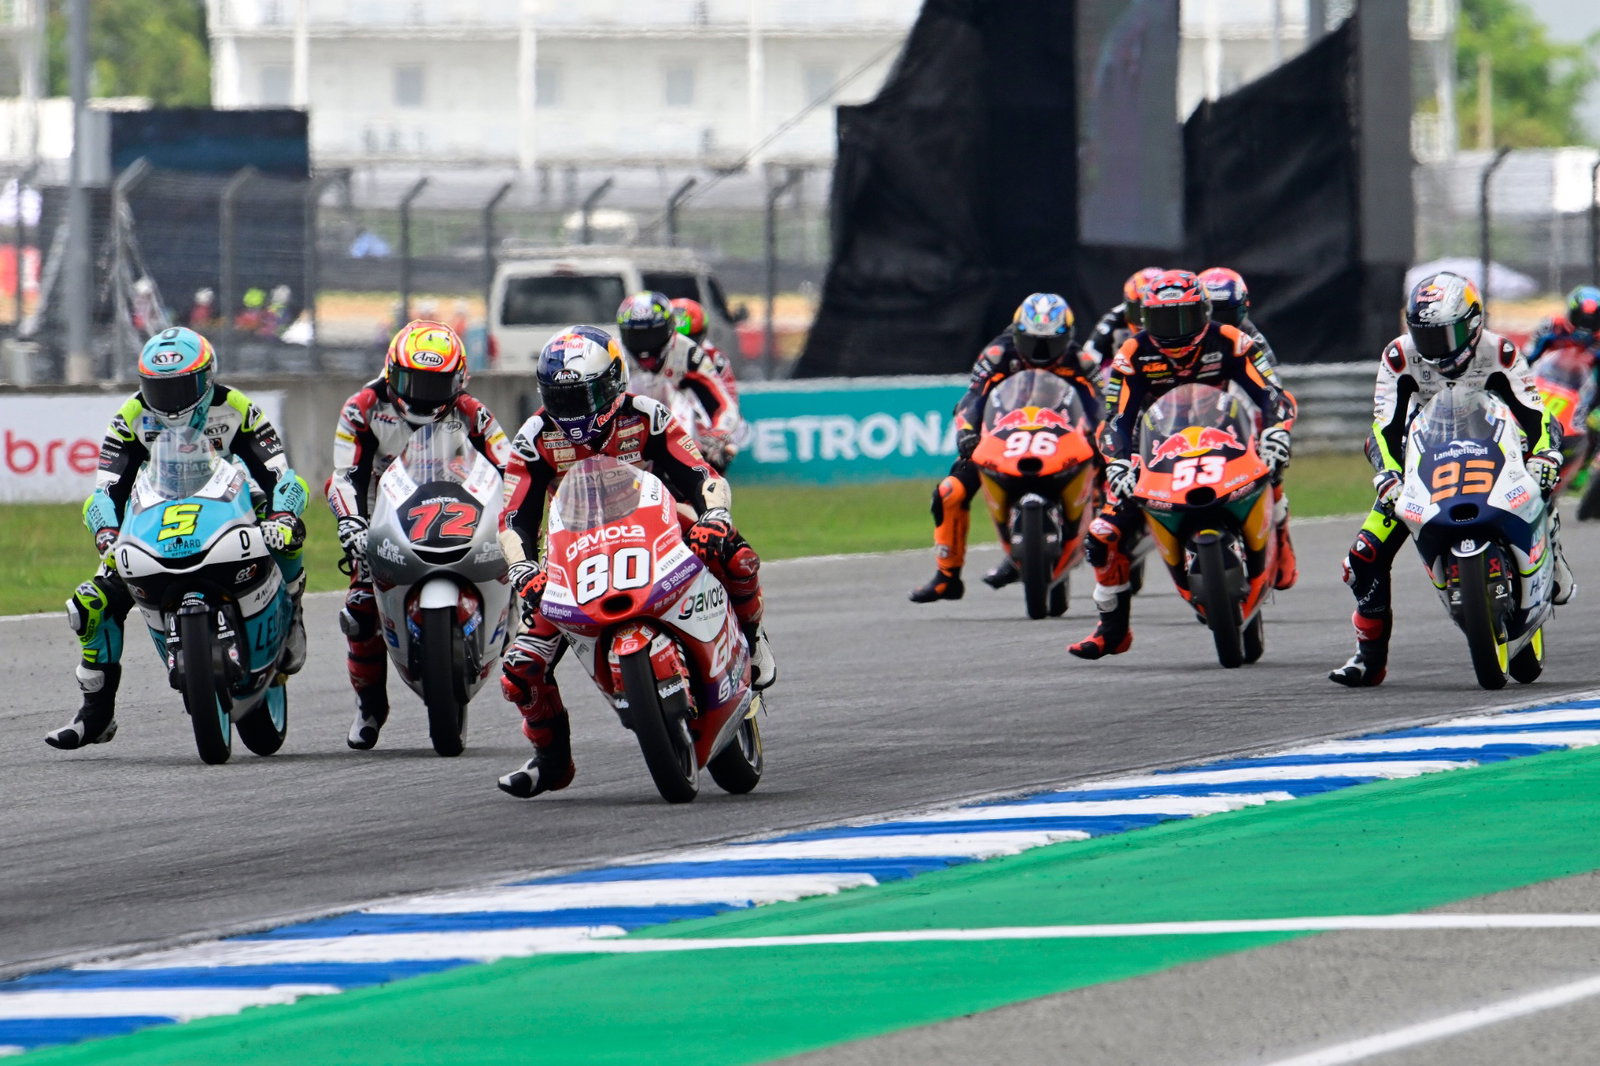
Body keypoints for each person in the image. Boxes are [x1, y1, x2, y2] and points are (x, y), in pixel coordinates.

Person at [495, 324, 776, 799]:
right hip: (573, 551)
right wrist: (523, 568)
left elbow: (701, 476)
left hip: (658, 524)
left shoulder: (648, 415)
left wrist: (714, 515)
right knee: (520, 667)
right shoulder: (534, 438)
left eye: (585, 396)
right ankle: (552, 761)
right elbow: (513, 519)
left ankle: (752, 642)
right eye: (563, 400)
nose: (576, 412)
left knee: (737, 553)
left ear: (611, 383)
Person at [45, 327, 310, 749]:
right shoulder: (131, 417)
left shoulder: (237, 408)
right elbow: (105, 490)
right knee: (88, 606)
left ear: (206, 380)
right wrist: (106, 532)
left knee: (288, 534)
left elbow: (282, 475)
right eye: (157, 388)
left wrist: (281, 515)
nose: (168, 401)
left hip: (236, 506)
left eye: (180, 387)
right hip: (156, 520)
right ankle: (96, 715)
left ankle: (293, 610)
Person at [1329, 271, 1573, 686]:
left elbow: (1538, 416)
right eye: (1425, 336)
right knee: (1362, 557)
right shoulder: (1398, 357)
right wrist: (1388, 477)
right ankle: (1368, 658)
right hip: (1424, 466)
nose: (1433, 348)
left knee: (1540, 476)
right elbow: (1383, 428)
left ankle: (1552, 549)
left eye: (1446, 334)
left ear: (1473, 322)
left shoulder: (1502, 352)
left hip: (1496, 451)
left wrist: (1547, 454)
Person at [1068, 270, 1294, 660]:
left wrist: (1277, 432)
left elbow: (1274, 395)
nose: (1173, 332)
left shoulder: (1231, 341)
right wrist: (1119, 465)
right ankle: (1113, 629)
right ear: (1142, 319)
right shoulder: (1132, 354)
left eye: (1183, 318)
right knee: (1102, 535)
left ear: (1204, 311)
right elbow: (1114, 422)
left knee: (1270, 469)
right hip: (1153, 450)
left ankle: (1281, 546)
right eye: (1161, 320)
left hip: (1224, 437)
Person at [327, 320, 511, 749]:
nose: (421, 395)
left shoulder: (471, 411)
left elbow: (510, 467)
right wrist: (352, 521)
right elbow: (343, 476)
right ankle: (370, 706)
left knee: (521, 568)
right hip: (381, 514)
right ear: (392, 372)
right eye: (412, 381)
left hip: (453, 507)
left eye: (435, 384)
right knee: (359, 611)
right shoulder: (363, 407)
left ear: (459, 380)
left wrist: (514, 516)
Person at [910, 292, 1102, 602]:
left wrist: (1099, 434)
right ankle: (947, 576)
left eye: (1050, 343)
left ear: (1067, 339)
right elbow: (973, 398)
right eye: (1032, 342)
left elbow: (1099, 405)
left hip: (1064, 440)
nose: (1041, 351)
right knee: (950, 492)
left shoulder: (1080, 361)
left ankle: (1113, 556)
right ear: (1018, 333)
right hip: (1005, 440)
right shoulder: (998, 353)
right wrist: (968, 432)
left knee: (1114, 477)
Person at [1199, 265, 1300, 588]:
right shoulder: (1184, 339)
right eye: (1212, 313)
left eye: (1226, 313)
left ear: (1242, 308)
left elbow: (1272, 390)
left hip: (1240, 415)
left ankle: (1281, 539)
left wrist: (1268, 432)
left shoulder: (1251, 338)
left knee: (1272, 466)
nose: (1219, 323)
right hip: (1196, 417)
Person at [616, 291, 742, 471]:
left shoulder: (688, 352)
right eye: (636, 336)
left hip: (679, 429)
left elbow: (724, 404)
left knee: (717, 459)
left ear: (669, 330)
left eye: (652, 335)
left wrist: (717, 435)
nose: (645, 346)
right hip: (627, 430)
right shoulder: (613, 354)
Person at [1082, 267, 1165, 372]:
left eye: (1158, 311)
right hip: (1128, 377)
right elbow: (1090, 354)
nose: (1146, 320)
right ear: (1127, 306)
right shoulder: (1113, 320)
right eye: (1139, 311)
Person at [671, 296, 738, 393]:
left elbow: (730, 400)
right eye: (675, 339)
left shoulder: (716, 360)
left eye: (689, 339)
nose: (682, 345)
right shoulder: (646, 358)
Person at [1526, 285, 1600, 364]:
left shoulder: (1598, 338)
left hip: (1585, 374)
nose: (1585, 325)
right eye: (1580, 318)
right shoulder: (1552, 325)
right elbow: (1528, 356)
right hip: (1548, 372)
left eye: (1592, 320)